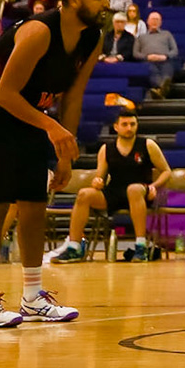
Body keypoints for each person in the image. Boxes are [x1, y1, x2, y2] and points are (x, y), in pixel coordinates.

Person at [0, 0, 111, 328]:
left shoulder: (93, 37)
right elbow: (4, 93)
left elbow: (72, 97)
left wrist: (64, 151)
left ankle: (32, 297)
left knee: (34, 204)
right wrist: (52, 128)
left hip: (31, 114)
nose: (107, 3)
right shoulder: (40, 32)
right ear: (73, 0)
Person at [49, 109, 172, 263]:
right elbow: (100, 176)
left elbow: (166, 171)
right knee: (84, 194)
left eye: (132, 124)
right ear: (116, 127)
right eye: (125, 124)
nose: (129, 128)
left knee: (133, 189)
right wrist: (97, 182)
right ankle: (74, 247)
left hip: (140, 192)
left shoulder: (147, 145)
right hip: (115, 191)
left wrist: (154, 185)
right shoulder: (106, 149)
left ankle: (141, 247)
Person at [131, 12, 181, 91]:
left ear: (160, 22)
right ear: (147, 21)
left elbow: (175, 50)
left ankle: (160, 89)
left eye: (157, 19)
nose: (154, 21)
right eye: (152, 19)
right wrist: (147, 57)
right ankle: (162, 87)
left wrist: (165, 56)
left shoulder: (167, 34)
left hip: (164, 60)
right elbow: (135, 53)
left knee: (167, 68)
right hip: (148, 61)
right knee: (151, 69)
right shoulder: (141, 37)